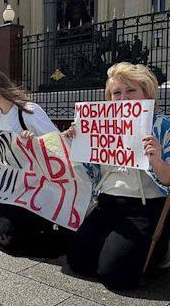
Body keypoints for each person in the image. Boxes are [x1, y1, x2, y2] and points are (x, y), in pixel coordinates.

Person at [65, 62, 170, 289]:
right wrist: (76, 140)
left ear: (147, 93)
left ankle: (158, 253)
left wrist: (157, 161)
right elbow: (88, 170)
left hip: (143, 209)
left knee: (115, 276)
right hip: (107, 204)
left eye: (131, 90)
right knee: (78, 262)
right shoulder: (101, 125)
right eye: (116, 93)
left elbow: (168, 179)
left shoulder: (163, 126)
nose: (123, 98)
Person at [0, 67, 72, 257]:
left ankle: (59, 240)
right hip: (13, 188)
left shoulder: (28, 111)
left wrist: (34, 143)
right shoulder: (0, 116)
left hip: (36, 189)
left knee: (7, 236)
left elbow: (59, 145)